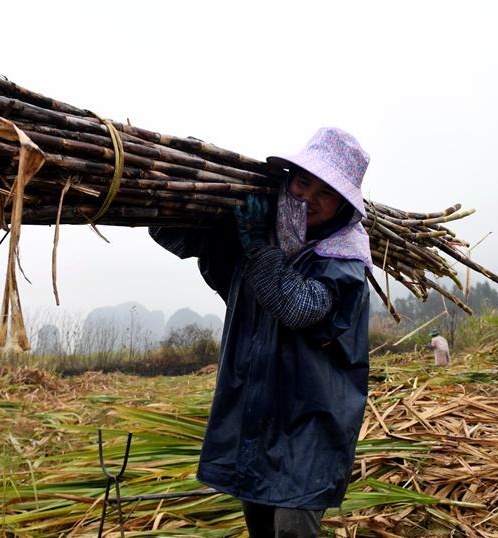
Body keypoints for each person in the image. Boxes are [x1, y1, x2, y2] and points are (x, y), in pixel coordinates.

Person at [149, 127, 372, 537]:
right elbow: (185, 241)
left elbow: (298, 307)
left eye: (326, 193)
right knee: (259, 525)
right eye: (303, 182)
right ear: (289, 180)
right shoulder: (260, 232)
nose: (309, 198)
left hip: (310, 422)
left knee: (291, 528)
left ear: (342, 205)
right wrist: (169, 197)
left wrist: (254, 244)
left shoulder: (344, 262)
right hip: (254, 411)